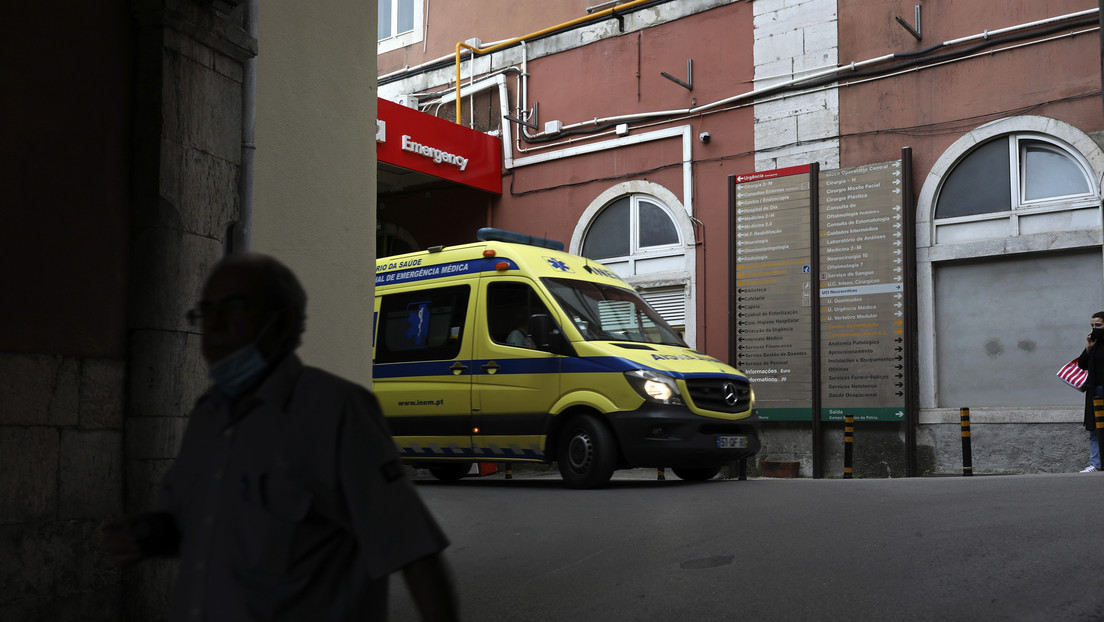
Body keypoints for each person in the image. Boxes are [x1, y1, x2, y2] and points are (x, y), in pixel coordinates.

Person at [102, 253, 459, 621]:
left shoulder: (337, 412)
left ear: (281, 321)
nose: (215, 326)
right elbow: (202, 529)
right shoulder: (208, 416)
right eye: (206, 311)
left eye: (234, 308)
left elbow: (415, 553)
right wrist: (148, 535)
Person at [1078, 311, 1104, 473]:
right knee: (1095, 429)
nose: (1095, 329)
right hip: (1095, 391)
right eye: (1092, 326)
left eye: (1099, 325)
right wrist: (1088, 348)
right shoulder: (1094, 344)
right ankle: (1096, 464)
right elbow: (1082, 365)